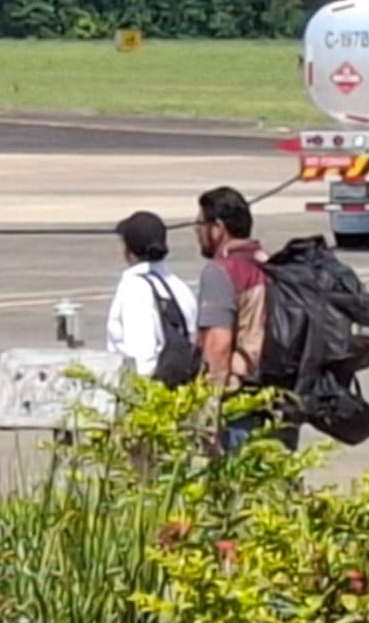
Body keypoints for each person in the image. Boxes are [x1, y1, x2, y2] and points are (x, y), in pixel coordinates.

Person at [193, 186, 297, 452]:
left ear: (218, 227)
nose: (197, 232)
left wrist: (209, 411)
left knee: (239, 486)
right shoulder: (272, 264)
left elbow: (219, 344)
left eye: (199, 224)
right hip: (282, 399)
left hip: (242, 405)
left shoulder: (222, 271)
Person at [106, 210, 198, 379]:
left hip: (150, 392)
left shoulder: (135, 288)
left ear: (129, 251)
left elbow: (141, 356)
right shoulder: (179, 287)